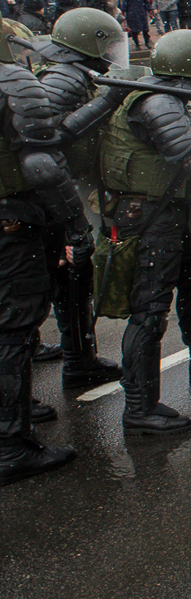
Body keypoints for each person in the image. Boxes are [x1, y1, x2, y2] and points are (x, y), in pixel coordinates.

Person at [97, 31, 191, 436]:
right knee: (149, 310)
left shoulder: (157, 91)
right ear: (190, 64)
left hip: (160, 214)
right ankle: (140, 409)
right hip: (147, 219)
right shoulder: (158, 101)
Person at [0, 31, 94, 485]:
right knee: (14, 330)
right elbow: (42, 163)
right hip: (10, 225)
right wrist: (75, 225)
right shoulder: (12, 82)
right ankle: (10, 446)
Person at [31, 9, 133, 391]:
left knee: (73, 284)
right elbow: (49, 136)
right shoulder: (61, 78)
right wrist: (107, 101)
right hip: (47, 196)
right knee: (50, 286)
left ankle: (80, 361)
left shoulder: (76, 73)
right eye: (106, 43)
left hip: (58, 190)